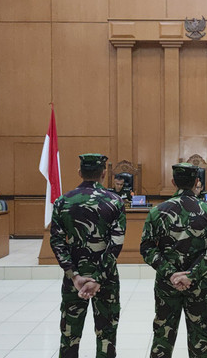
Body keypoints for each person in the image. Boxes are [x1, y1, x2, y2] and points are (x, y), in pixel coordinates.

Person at [140, 163, 207, 358]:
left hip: (167, 284)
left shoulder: (157, 211)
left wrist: (171, 274)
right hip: (199, 285)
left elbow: (147, 247)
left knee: (163, 337)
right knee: (201, 338)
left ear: (173, 182)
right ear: (197, 182)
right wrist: (192, 275)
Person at [50, 153, 126, 358]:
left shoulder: (62, 202)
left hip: (73, 280)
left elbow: (56, 241)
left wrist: (74, 275)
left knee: (69, 335)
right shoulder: (115, 201)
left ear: (79, 172)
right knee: (106, 335)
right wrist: (99, 278)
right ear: (103, 174)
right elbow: (116, 243)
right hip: (106, 279)